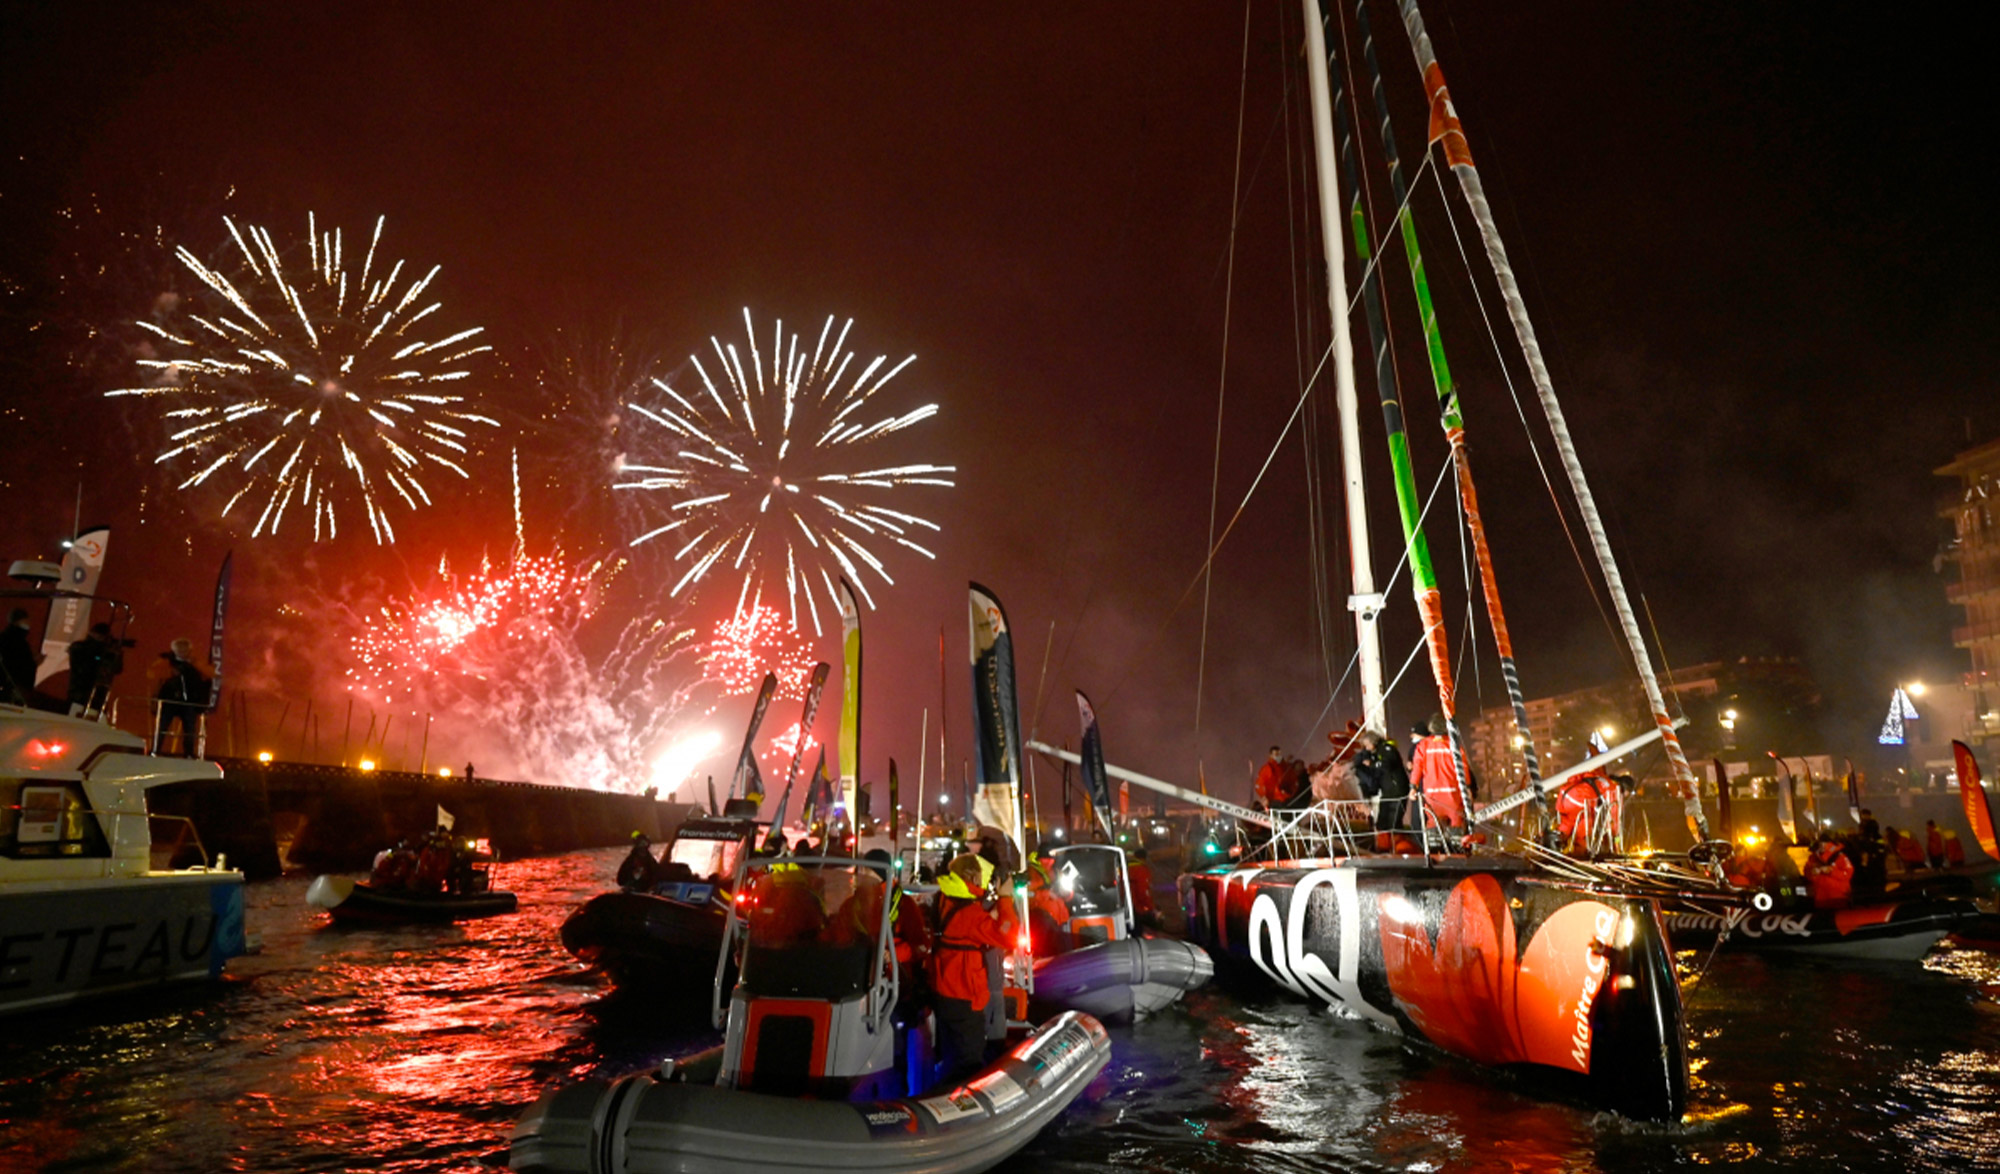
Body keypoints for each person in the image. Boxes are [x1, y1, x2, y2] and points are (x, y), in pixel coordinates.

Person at [929, 853, 1016, 1082]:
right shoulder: (970, 913)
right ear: (973, 877)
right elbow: (1008, 935)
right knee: (968, 1062)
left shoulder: (944, 900)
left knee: (951, 1056)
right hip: (966, 997)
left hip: (944, 992)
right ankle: (962, 1108)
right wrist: (1006, 898)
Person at [147, 637, 210, 756]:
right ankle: (155, 750)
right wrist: (170, 672)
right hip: (169, 700)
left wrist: (194, 665)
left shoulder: (196, 663)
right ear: (174, 650)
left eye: (185, 649)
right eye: (179, 649)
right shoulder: (165, 662)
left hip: (189, 701)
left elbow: (210, 674)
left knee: (190, 730)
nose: (182, 651)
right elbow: (151, 674)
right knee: (162, 727)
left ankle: (189, 753)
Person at [1352, 728, 1413, 850]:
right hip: (1387, 791)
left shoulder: (1387, 749)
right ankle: (1383, 847)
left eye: (1367, 745)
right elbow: (1358, 762)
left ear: (1373, 742)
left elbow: (1386, 764)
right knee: (1382, 822)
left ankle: (1399, 848)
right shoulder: (1374, 753)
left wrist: (1372, 764)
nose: (1366, 748)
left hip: (1397, 790)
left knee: (1394, 821)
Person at [1409, 715, 1467, 834]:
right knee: (1456, 823)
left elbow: (1417, 768)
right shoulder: (1454, 744)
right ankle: (1456, 847)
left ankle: (1434, 846)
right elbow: (1463, 768)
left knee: (1432, 824)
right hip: (1452, 794)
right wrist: (1468, 788)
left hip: (1432, 795)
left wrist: (1413, 787)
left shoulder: (1423, 745)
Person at [66, 622, 124, 717]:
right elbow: (87, 665)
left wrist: (117, 655)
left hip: (99, 695)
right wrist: (103, 649)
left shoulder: (105, 650)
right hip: (79, 693)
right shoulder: (79, 647)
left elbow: (117, 669)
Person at [1, 609, 38, 706]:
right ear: (18, 621)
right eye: (26, 621)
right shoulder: (17, 641)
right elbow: (19, 664)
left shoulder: (7, 637)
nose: (29, 624)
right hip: (14, 689)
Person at [1804, 838, 1854, 909]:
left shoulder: (1841, 857)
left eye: (1824, 843)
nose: (1822, 845)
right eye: (1820, 843)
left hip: (1838, 897)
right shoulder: (1812, 858)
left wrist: (1831, 871)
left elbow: (1848, 873)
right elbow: (1807, 872)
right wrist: (1812, 873)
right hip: (1820, 897)